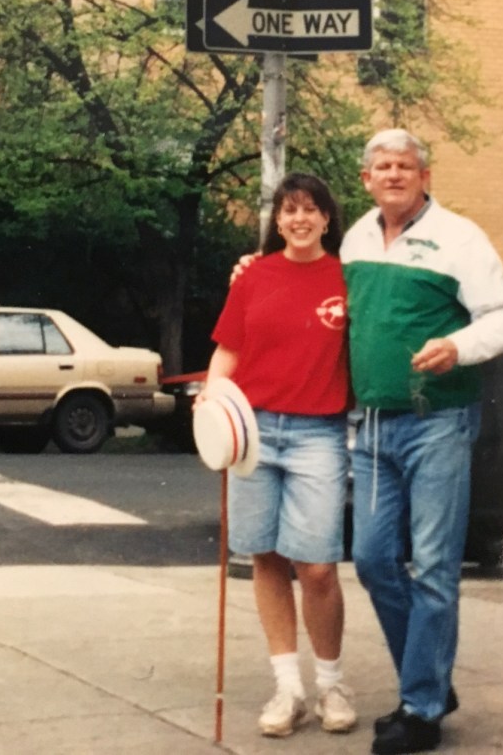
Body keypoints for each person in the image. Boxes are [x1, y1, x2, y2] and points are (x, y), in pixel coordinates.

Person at [343, 129, 503, 755]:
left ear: (425, 177)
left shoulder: (460, 238)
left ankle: (420, 708)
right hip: (371, 425)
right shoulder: (355, 239)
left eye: (406, 166)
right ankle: (432, 681)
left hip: (437, 422)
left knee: (434, 567)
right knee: (371, 560)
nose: (394, 175)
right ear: (366, 179)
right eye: (383, 167)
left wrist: (456, 346)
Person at [199, 171, 357, 738]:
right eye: (289, 210)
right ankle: (288, 688)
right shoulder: (254, 276)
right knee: (265, 556)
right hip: (253, 432)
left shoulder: (349, 277)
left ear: (327, 218)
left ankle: (331, 683)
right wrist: (210, 409)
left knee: (316, 566)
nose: (299, 219)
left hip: (319, 433)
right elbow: (228, 352)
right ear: (278, 220)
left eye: (310, 209)